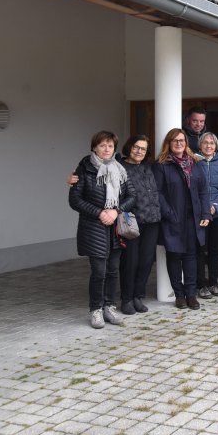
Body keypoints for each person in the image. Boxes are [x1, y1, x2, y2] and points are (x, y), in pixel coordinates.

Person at [69, 131, 136, 328]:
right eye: (102, 145)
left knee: (113, 270)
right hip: (93, 227)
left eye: (110, 146)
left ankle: (109, 307)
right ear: (94, 147)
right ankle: (95, 310)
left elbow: (131, 196)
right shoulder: (84, 169)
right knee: (99, 271)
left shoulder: (120, 169)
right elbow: (74, 200)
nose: (107, 149)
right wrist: (99, 213)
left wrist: (116, 211)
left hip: (115, 227)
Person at [153, 128, 211, 310]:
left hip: (193, 218)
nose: (179, 143)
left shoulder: (196, 163)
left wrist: (206, 214)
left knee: (191, 257)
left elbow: (203, 191)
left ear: (186, 143)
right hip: (172, 218)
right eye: (174, 141)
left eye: (182, 140)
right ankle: (179, 295)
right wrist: (169, 213)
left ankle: (191, 294)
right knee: (174, 256)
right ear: (168, 144)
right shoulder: (162, 165)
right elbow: (158, 193)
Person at [118, 135, 160, 316]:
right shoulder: (120, 168)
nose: (139, 151)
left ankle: (138, 296)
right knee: (130, 261)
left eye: (143, 149)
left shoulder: (148, 167)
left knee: (146, 261)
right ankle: (126, 299)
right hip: (131, 221)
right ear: (129, 147)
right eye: (136, 147)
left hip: (151, 221)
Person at [195, 132, 218, 300]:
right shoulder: (194, 162)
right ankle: (201, 285)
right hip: (199, 214)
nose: (208, 146)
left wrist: (215, 206)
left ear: (216, 146)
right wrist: (203, 208)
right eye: (205, 143)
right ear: (200, 145)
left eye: (212, 143)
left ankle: (213, 282)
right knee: (200, 249)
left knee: (215, 250)